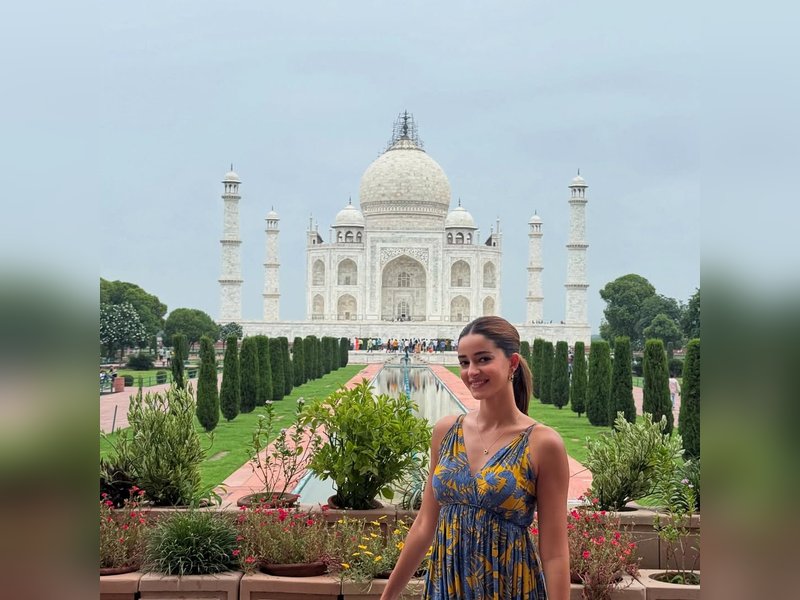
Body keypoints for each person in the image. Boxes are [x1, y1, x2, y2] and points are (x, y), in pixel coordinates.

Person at [381, 316, 570, 600]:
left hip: (508, 588)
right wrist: (387, 596)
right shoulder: (447, 431)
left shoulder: (542, 443)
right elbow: (424, 526)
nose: (472, 371)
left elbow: (554, 552)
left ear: (512, 363)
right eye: (464, 362)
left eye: (483, 359)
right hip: (447, 587)